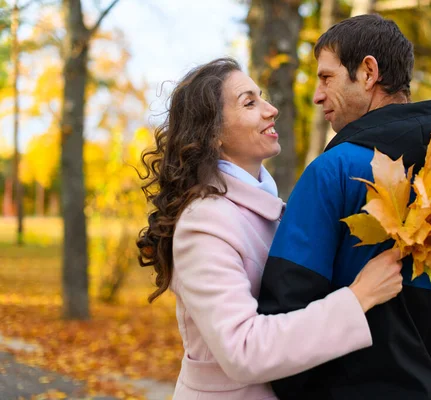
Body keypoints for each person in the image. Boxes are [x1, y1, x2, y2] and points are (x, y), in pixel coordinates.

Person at [257, 14, 431, 400]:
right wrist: (415, 382)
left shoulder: (333, 173)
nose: (317, 94)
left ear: (368, 72)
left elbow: (283, 314)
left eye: (327, 78)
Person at [136, 57, 406, 400]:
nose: (271, 109)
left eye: (262, 97)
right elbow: (243, 349)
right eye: (250, 102)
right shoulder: (204, 222)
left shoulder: (269, 209)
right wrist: (360, 296)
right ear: (213, 133)